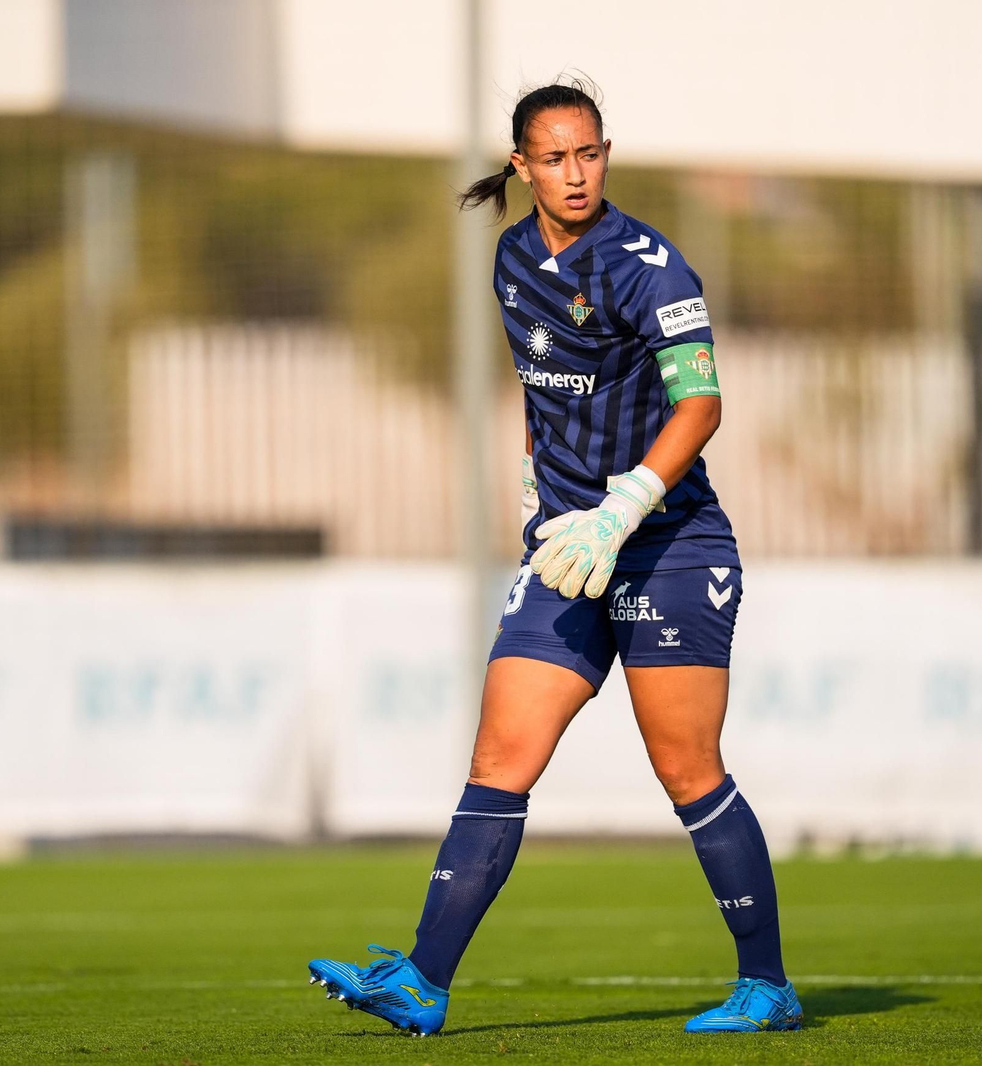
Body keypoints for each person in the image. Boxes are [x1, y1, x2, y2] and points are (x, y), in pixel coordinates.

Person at [307, 79, 799, 1038]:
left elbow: (702, 405)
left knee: (687, 768)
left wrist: (626, 504)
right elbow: (546, 394)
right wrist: (543, 490)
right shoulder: (511, 258)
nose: (577, 174)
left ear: (605, 154)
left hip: (666, 544)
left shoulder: (653, 267)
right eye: (557, 158)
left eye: (592, 154)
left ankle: (767, 984)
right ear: (522, 164)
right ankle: (421, 982)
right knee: (500, 755)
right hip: (571, 548)